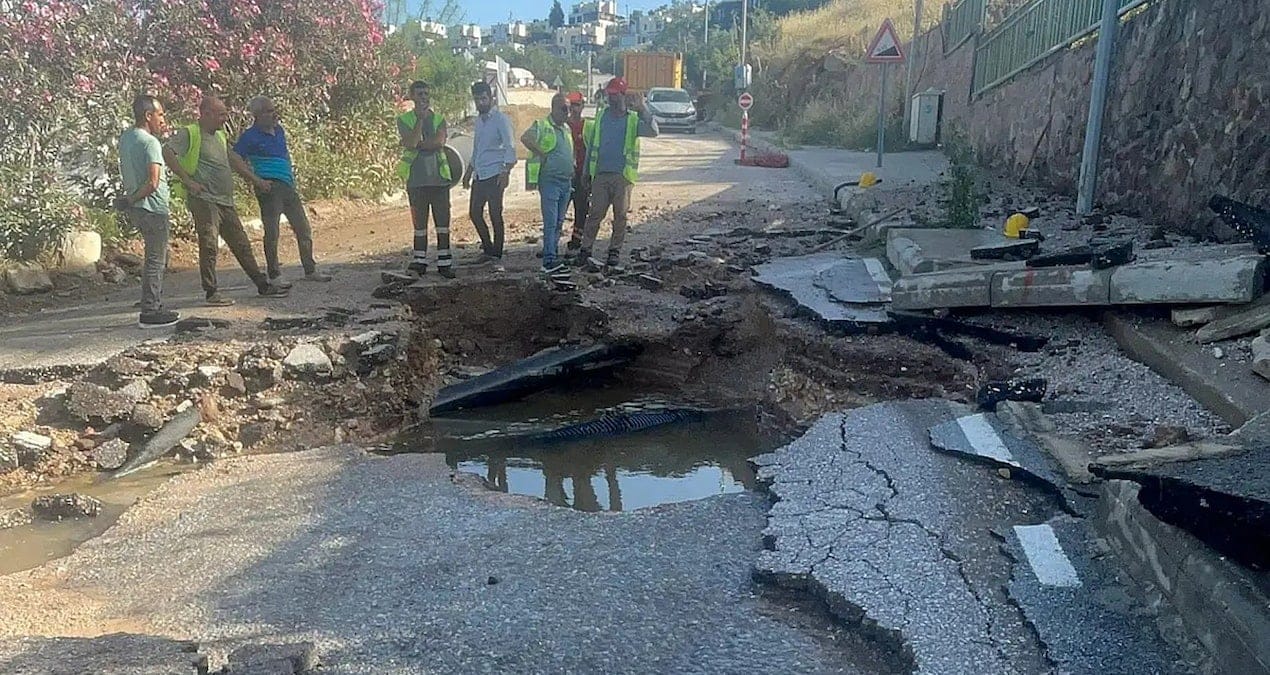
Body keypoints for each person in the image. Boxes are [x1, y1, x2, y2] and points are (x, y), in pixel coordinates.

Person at [163, 94, 288, 306]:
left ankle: (262, 285)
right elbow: (167, 151)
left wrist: (255, 180)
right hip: (204, 199)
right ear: (207, 114)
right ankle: (211, 292)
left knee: (242, 244)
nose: (224, 119)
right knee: (209, 243)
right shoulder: (191, 133)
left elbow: (233, 161)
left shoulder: (219, 136)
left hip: (224, 200)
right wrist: (188, 181)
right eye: (221, 115)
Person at [234, 95, 332, 285]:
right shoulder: (250, 136)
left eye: (273, 110)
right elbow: (235, 159)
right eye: (269, 111)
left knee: (303, 228)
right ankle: (274, 274)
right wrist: (256, 180)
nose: (273, 114)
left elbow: (285, 154)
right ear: (257, 115)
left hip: (287, 185)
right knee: (272, 232)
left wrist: (291, 177)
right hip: (269, 187)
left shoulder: (279, 131)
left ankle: (310, 270)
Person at [575, 77, 658, 273]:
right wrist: (587, 172)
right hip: (601, 175)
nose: (611, 99)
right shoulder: (601, 117)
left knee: (620, 216)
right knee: (595, 214)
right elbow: (592, 147)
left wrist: (643, 109)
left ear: (623, 95)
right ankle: (585, 250)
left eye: (614, 95)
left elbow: (654, 131)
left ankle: (614, 252)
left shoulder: (633, 120)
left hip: (623, 176)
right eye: (609, 95)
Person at [116, 94, 179, 328]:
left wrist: (128, 200)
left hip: (138, 209)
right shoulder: (151, 143)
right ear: (148, 116)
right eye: (160, 114)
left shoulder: (126, 138)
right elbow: (153, 182)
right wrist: (133, 199)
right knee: (156, 260)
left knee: (154, 258)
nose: (163, 119)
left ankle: (151, 301)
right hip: (152, 207)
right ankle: (150, 310)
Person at [397, 80, 455, 279]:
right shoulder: (404, 120)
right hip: (416, 181)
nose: (424, 98)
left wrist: (421, 144)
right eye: (420, 94)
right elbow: (411, 142)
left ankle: (444, 262)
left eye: (426, 94)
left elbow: (438, 142)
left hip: (439, 180)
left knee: (442, 223)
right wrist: (420, 122)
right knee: (419, 225)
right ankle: (420, 261)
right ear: (412, 96)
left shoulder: (439, 118)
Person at [461, 81, 516, 268]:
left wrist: (506, 171)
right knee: (475, 213)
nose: (480, 103)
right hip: (480, 173)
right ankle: (488, 248)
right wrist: (469, 171)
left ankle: (497, 253)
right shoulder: (479, 121)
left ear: (491, 98)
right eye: (477, 99)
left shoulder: (501, 120)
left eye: (483, 98)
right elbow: (477, 148)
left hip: (495, 173)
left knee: (495, 214)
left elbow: (510, 146)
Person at [521, 93, 574, 273]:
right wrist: (541, 153)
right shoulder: (542, 125)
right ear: (553, 108)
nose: (567, 112)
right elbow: (526, 137)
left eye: (568, 108)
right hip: (550, 180)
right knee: (551, 221)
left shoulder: (566, 128)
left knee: (559, 221)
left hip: (565, 182)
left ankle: (553, 254)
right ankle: (549, 259)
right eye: (563, 108)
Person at [563, 91, 589, 253]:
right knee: (560, 209)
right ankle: (551, 242)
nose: (574, 108)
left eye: (577, 105)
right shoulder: (562, 125)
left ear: (582, 106)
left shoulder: (588, 126)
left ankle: (576, 240)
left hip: (581, 173)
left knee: (581, 208)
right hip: (565, 173)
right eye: (571, 105)